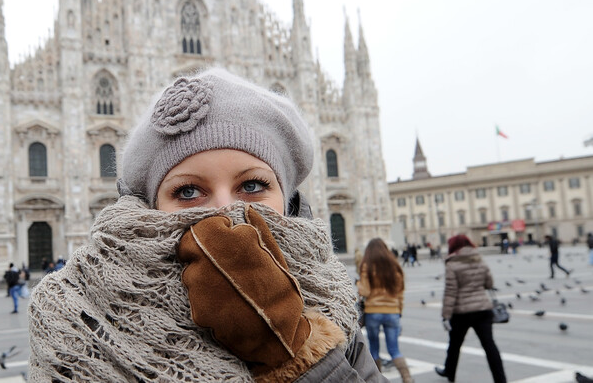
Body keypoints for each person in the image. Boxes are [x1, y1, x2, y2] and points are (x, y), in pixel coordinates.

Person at [28, 68, 385, 382]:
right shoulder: (80, 323)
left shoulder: (327, 308)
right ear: (149, 207)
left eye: (251, 186)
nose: (224, 213)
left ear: (287, 200)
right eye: (187, 191)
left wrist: (300, 354)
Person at [435, 234, 506, 383]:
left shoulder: (452, 263)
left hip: (461, 312)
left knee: (454, 345)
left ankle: (450, 373)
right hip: (482, 309)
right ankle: (500, 379)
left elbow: (451, 291)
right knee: (489, 346)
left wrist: (445, 316)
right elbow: (489, 283)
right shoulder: (479, 259)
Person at [357, 238, 412, 382]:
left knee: (374, 350)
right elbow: (400, 292)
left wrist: (359, 284)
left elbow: (366, 292)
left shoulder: (367, 266)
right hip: (392, 311)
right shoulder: (394, 266)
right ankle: (407, 379)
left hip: (373, 312)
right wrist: (399, 310)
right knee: (394, 350)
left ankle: (377, 380)